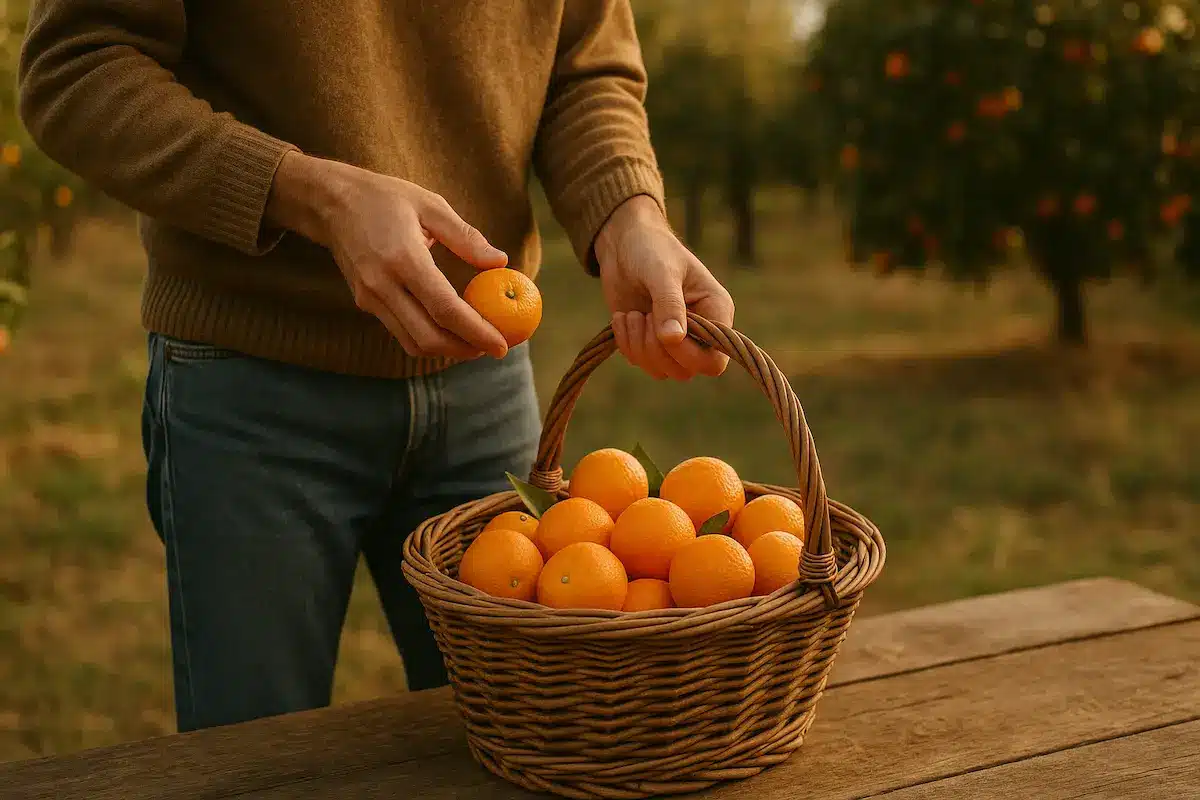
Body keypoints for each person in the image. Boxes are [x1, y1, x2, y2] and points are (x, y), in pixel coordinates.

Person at [17, 0, 735, 732]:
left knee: (529, 743)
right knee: (259, 763)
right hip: (253, 383)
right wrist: (310, 193)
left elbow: (584, 65)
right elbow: (77, 65)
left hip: (488, 375)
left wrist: (628, 216)